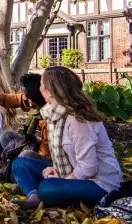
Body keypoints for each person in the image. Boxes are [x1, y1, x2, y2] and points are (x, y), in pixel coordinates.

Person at [12, 66, 123, 209]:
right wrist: (56, 169)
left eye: (41, 84)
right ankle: (34, 196)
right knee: (20, 163)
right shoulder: (57, 114)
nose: (39, 88)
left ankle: (39, 190)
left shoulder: (79, 119)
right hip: (74, 172)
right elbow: (70, 158)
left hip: (100, 184)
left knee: (47, 187)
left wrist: (62, 178)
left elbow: (89, 168)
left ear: (50, 91)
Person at [0, 73, 50, 159]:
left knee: (26, 155)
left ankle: (2, 158)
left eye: (23, 94)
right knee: (6, 136)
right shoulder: (36, 105)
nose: (21, 96)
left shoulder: (48, 120)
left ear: (30, 102)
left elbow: (46, 153)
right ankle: (8, 157)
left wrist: (26, 150)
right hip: (36, 145)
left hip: (47, 159)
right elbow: (12, 99)